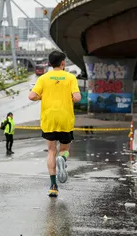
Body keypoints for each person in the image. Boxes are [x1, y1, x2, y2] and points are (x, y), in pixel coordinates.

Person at [28, 51, 81, 197]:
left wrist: (42, 96)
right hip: (65, 119)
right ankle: (62, 159)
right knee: (64, 148)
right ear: (63, 63)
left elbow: (31, 96)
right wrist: (68, 97)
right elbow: (77, 97)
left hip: (49, 119)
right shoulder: (70, 78)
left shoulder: (43, 78)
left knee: (51, 150)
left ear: (50, 64)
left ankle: (53, 186)